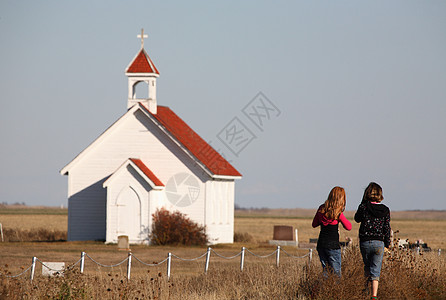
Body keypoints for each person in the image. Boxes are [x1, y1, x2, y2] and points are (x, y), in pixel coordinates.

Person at [355, 182, 391, 300]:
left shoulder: (363, 207)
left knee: (367, 267)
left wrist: (363, 202)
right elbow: (387, 228)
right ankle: (374, 296)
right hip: (379, 242)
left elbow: (357, 219)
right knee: (376, 270)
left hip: (365, 241)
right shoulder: (385, 210)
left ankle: (364, 292)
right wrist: (387, 244)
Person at [312, 186, 352, 277]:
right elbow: (349, 227)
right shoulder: (338, 213)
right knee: (336, 273)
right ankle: (336, 290)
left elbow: (314, 224)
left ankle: (324, 289)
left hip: (321, 244)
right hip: (333, 246)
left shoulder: (321, 209)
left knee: (325, 271)